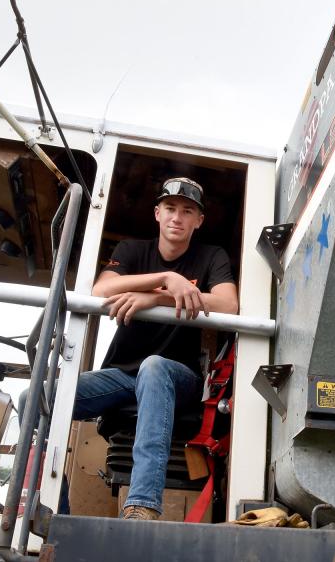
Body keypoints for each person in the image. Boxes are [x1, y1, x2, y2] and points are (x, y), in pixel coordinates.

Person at [78, 176, 238, 520]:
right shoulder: (132, 251)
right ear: (157, 213)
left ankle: (142, 504)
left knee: (154, 365)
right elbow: (100, 290)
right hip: (122, 378)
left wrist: (153, 298)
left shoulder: (211, 257)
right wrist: (165, 279)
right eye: (169, 208)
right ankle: (42, 500)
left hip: (179, 380)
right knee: (39, 396)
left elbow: (228, 305)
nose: (177, 217)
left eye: (187, 211)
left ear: (199, 220)